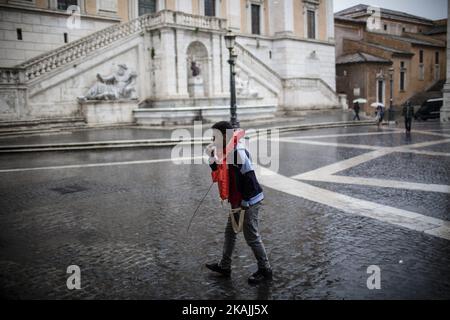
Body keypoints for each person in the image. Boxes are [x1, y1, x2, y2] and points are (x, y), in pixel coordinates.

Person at [205, 121, 272, 285]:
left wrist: (244, 202)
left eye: (215, 136)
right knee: (230, 232)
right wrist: (211, 157)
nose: (213, 139)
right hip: (237, 202)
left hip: (248, 201)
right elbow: (218, 172)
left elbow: (250, 178)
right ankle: (225, 266)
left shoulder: (238, 152)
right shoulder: (225, 151)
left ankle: (265, 270)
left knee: (252, 237)